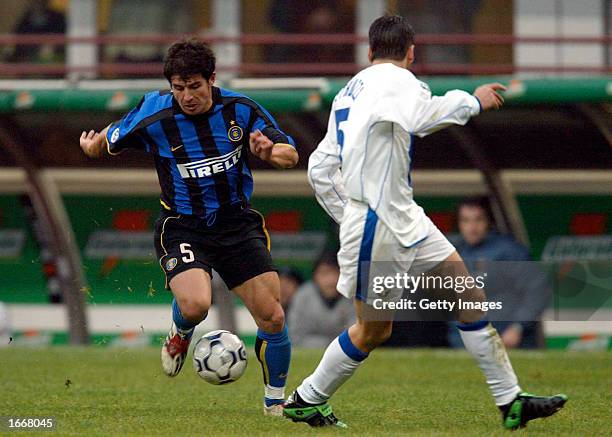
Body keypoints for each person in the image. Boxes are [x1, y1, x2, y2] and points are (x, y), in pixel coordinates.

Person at [283, 15, 566, 429]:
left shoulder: (349, 91)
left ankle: (511, 401)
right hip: (378, 225)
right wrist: (473, 100)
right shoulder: (400, 82)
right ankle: (307, 398)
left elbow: (321, 167)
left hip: (404, 217)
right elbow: (422, 118)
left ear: (370, 51)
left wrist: (349, 214)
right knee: (373, 331)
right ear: (411, 53)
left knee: (467, 297)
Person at [79, 39, 298, 416]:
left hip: (236, 224)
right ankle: (181, 335)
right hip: (183, 226)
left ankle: (274, 403)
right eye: (178, 88)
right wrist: (94, 147)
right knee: (196, 305)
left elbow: (289, 153)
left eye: (194, 86)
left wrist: (268, 153)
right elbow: (110, 138)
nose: (187, 97)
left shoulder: (240, 110)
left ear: (211, 79)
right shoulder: (155, 113)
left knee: (273, 316)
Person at [451, 196, 551, 348]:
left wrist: (518, 327)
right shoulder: (456, 251)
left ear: (489, 222)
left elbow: (538, 289)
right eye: (465, 220)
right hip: (466, 342)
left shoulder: (509, 251)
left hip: (509, 340)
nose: (472, 227)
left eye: (478, 220)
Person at [288, 252, 353, 348]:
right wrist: (327, 344)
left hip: (346, 354)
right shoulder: (303, 295)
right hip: (308, 353)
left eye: (336, 273)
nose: (331, 280)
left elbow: (358, 337)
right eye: (325, 273)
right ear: (315, 276)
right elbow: (295, 336)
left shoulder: (353, 295)